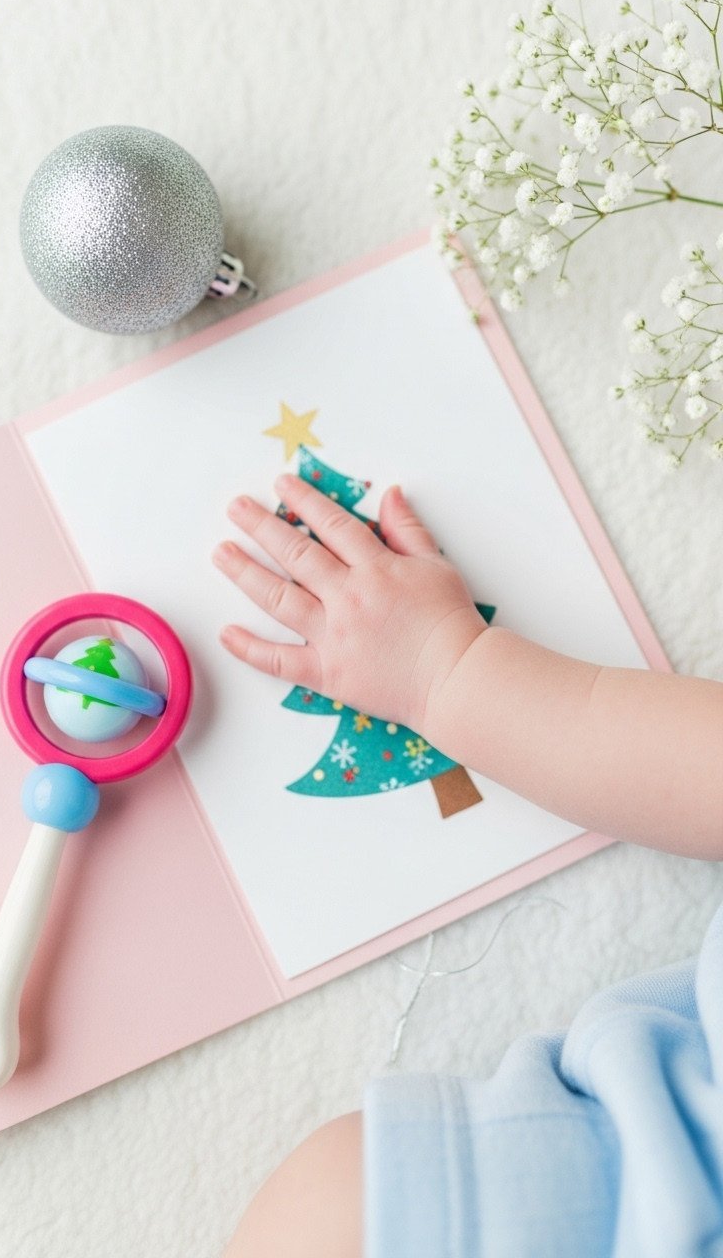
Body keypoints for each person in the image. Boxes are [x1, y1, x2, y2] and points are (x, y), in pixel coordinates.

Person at [213, 474, 723, 1257]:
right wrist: (440, 668)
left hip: (643, 1189)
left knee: (333, 1203)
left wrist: (443, 670)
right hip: (644, 1189)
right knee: (332, 1205)